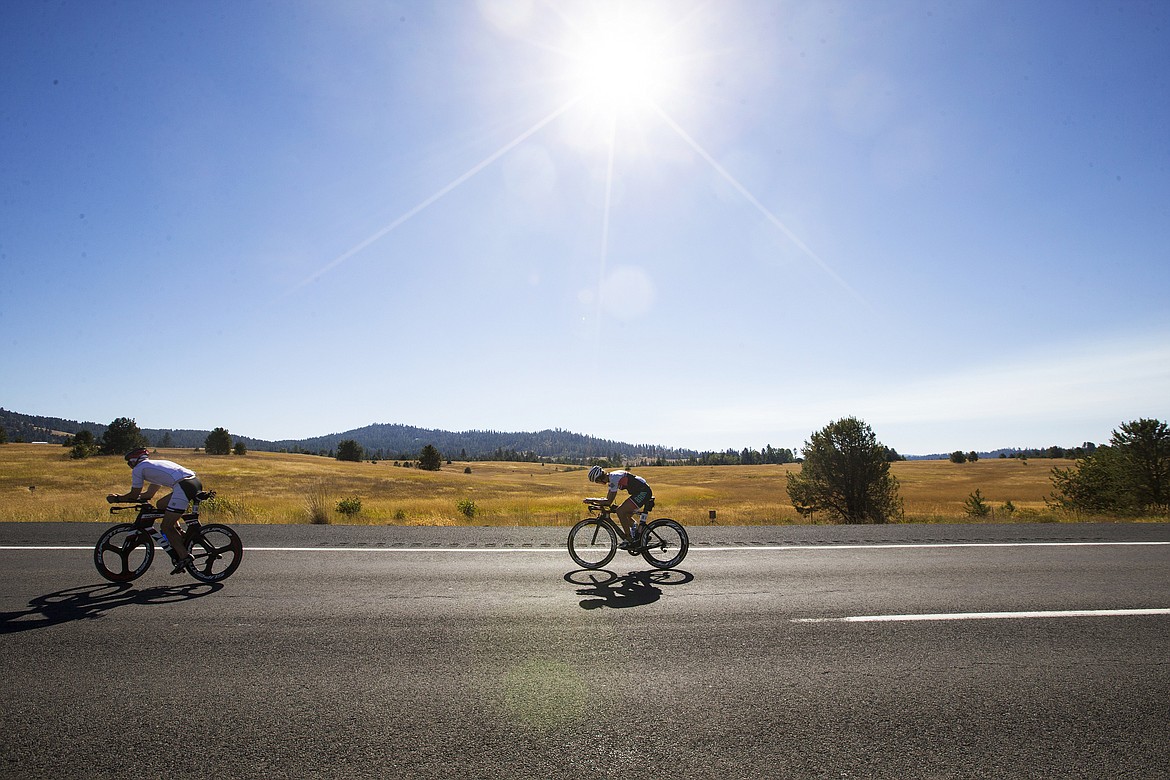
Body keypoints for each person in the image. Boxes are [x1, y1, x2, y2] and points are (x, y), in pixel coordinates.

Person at [107, 448, 202, 573]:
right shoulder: (153, 465)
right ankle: (179, 534)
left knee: (166, 527)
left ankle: (184, 557)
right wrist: (138, 498)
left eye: (129, 462)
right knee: (161, 504)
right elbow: (149, 494)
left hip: (183, 486)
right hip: (193, 482)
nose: (129, 465)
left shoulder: (139, 469)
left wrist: (117, 498)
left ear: (135, 460)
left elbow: (134, 494)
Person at [585, 465, 654, 548]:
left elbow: (608, 501)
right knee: (624, 513)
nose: (598, 483)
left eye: (596, 481)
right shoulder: (611, 478)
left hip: (643, 492)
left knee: (620, 511)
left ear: (599, 479)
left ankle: (628, 539)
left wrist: (592, 500)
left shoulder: (613, 479)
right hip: (641, 491)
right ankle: (638, 533)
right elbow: (608, 500)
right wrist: (597, 502)